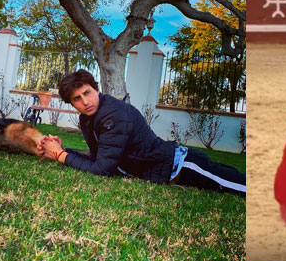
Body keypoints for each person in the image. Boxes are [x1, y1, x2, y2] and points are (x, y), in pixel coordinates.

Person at [36, 70, 246, 196]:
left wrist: (60, 156)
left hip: (181, 166)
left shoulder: (113, 116)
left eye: (87, 93)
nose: (85, 101)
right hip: (167, 167)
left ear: (96, 89)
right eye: (77, 98)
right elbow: (97, 157)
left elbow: (102, 169)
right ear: (71, 103)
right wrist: (63, 149)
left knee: (234, 183)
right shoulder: (88, 118)